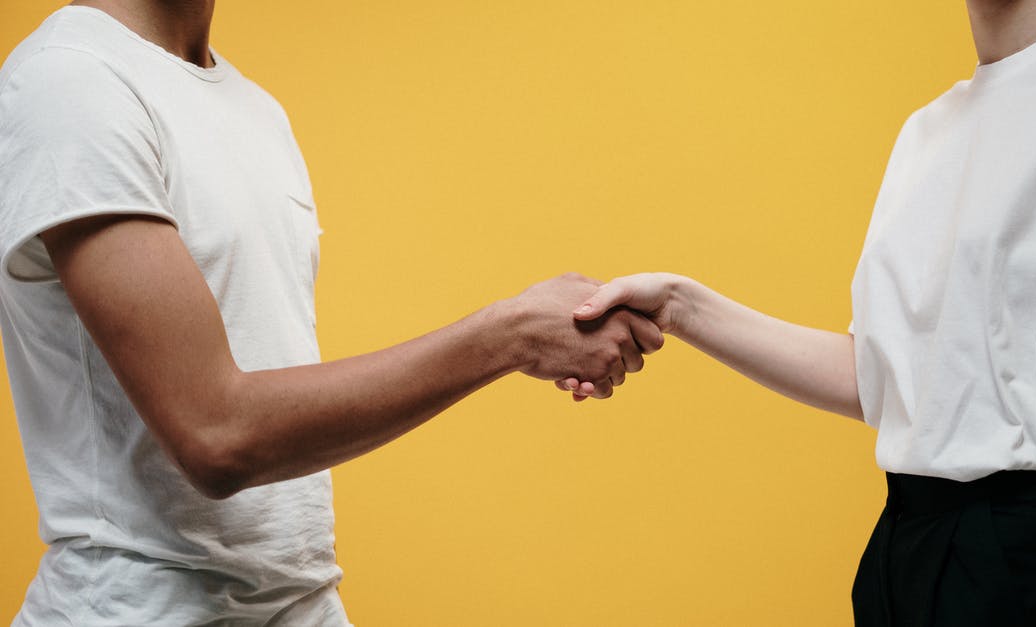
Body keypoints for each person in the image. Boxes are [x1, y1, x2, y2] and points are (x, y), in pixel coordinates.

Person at [0, 1, 662, 624]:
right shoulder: (72, 80)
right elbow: (216, 432)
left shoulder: (255, 109)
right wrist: (511, 335)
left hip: (303, 602)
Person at [561, 1, 1036, 625]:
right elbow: (883, 380)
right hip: (902, 554)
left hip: (1030, 562)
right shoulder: (927, 130)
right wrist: (678, 304)